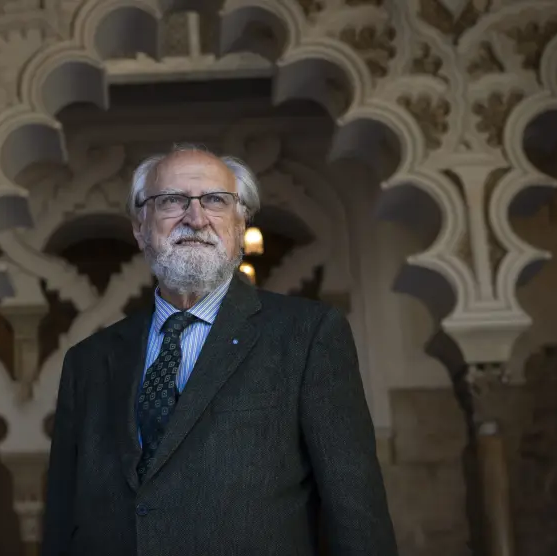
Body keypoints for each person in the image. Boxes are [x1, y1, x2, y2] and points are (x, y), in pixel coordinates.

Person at [41, 144, 398, 556]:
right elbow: (62, 520)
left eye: (215, 200)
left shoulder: (308, 335)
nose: (195, 218)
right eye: (172, 200)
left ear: (240, 222)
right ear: (140, 227)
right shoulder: (87, 361)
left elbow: (355, 512)